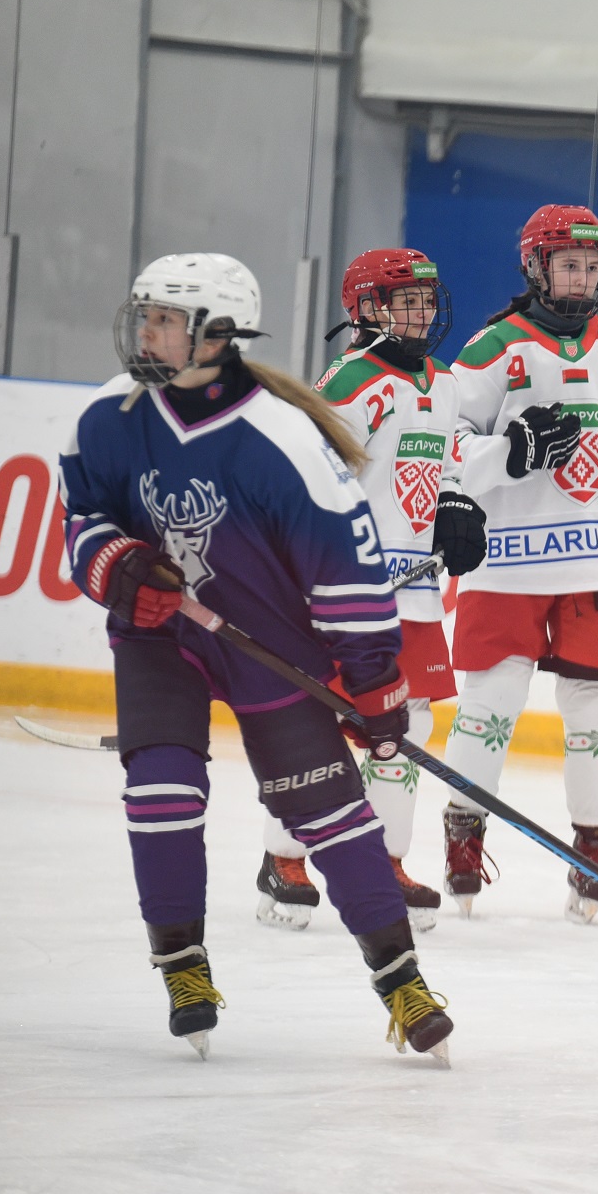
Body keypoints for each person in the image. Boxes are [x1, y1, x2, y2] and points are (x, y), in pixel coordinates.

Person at [59, 252, 451, 1061]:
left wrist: (375, 683)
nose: (146, 331)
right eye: (146, 314)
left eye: (165, 319)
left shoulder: (282, 438)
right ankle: (183, 966)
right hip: (161, 639)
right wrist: (117, 567)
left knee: (332, 811)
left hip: (270, 648)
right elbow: (83, 517)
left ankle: (401, 978)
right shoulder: (109, 414)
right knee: (161, 789)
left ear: (215, 335)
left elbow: (348, 573)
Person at [441, 204, 598, 923]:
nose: (580, 278)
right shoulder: (492, 349)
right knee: (489, 706)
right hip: (505, 563)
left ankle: (595, 854)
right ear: (536, 268)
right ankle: (463, 838)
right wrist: (509, 452)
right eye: (567, 265)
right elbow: (447, 443)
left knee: (597, 714)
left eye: (590, 265)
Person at [252, 249, 487, 933]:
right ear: (365, 309)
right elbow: (309, 479)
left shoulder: (442, 383)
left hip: (414, 593)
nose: (420, 313)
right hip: (344, 590)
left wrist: (455, 506)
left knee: (407, 727)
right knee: (321, 723)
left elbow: (444, 468)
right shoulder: (352, 382)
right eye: (404, 302)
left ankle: (386, 861)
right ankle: (283, 857)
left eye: (425, 301)